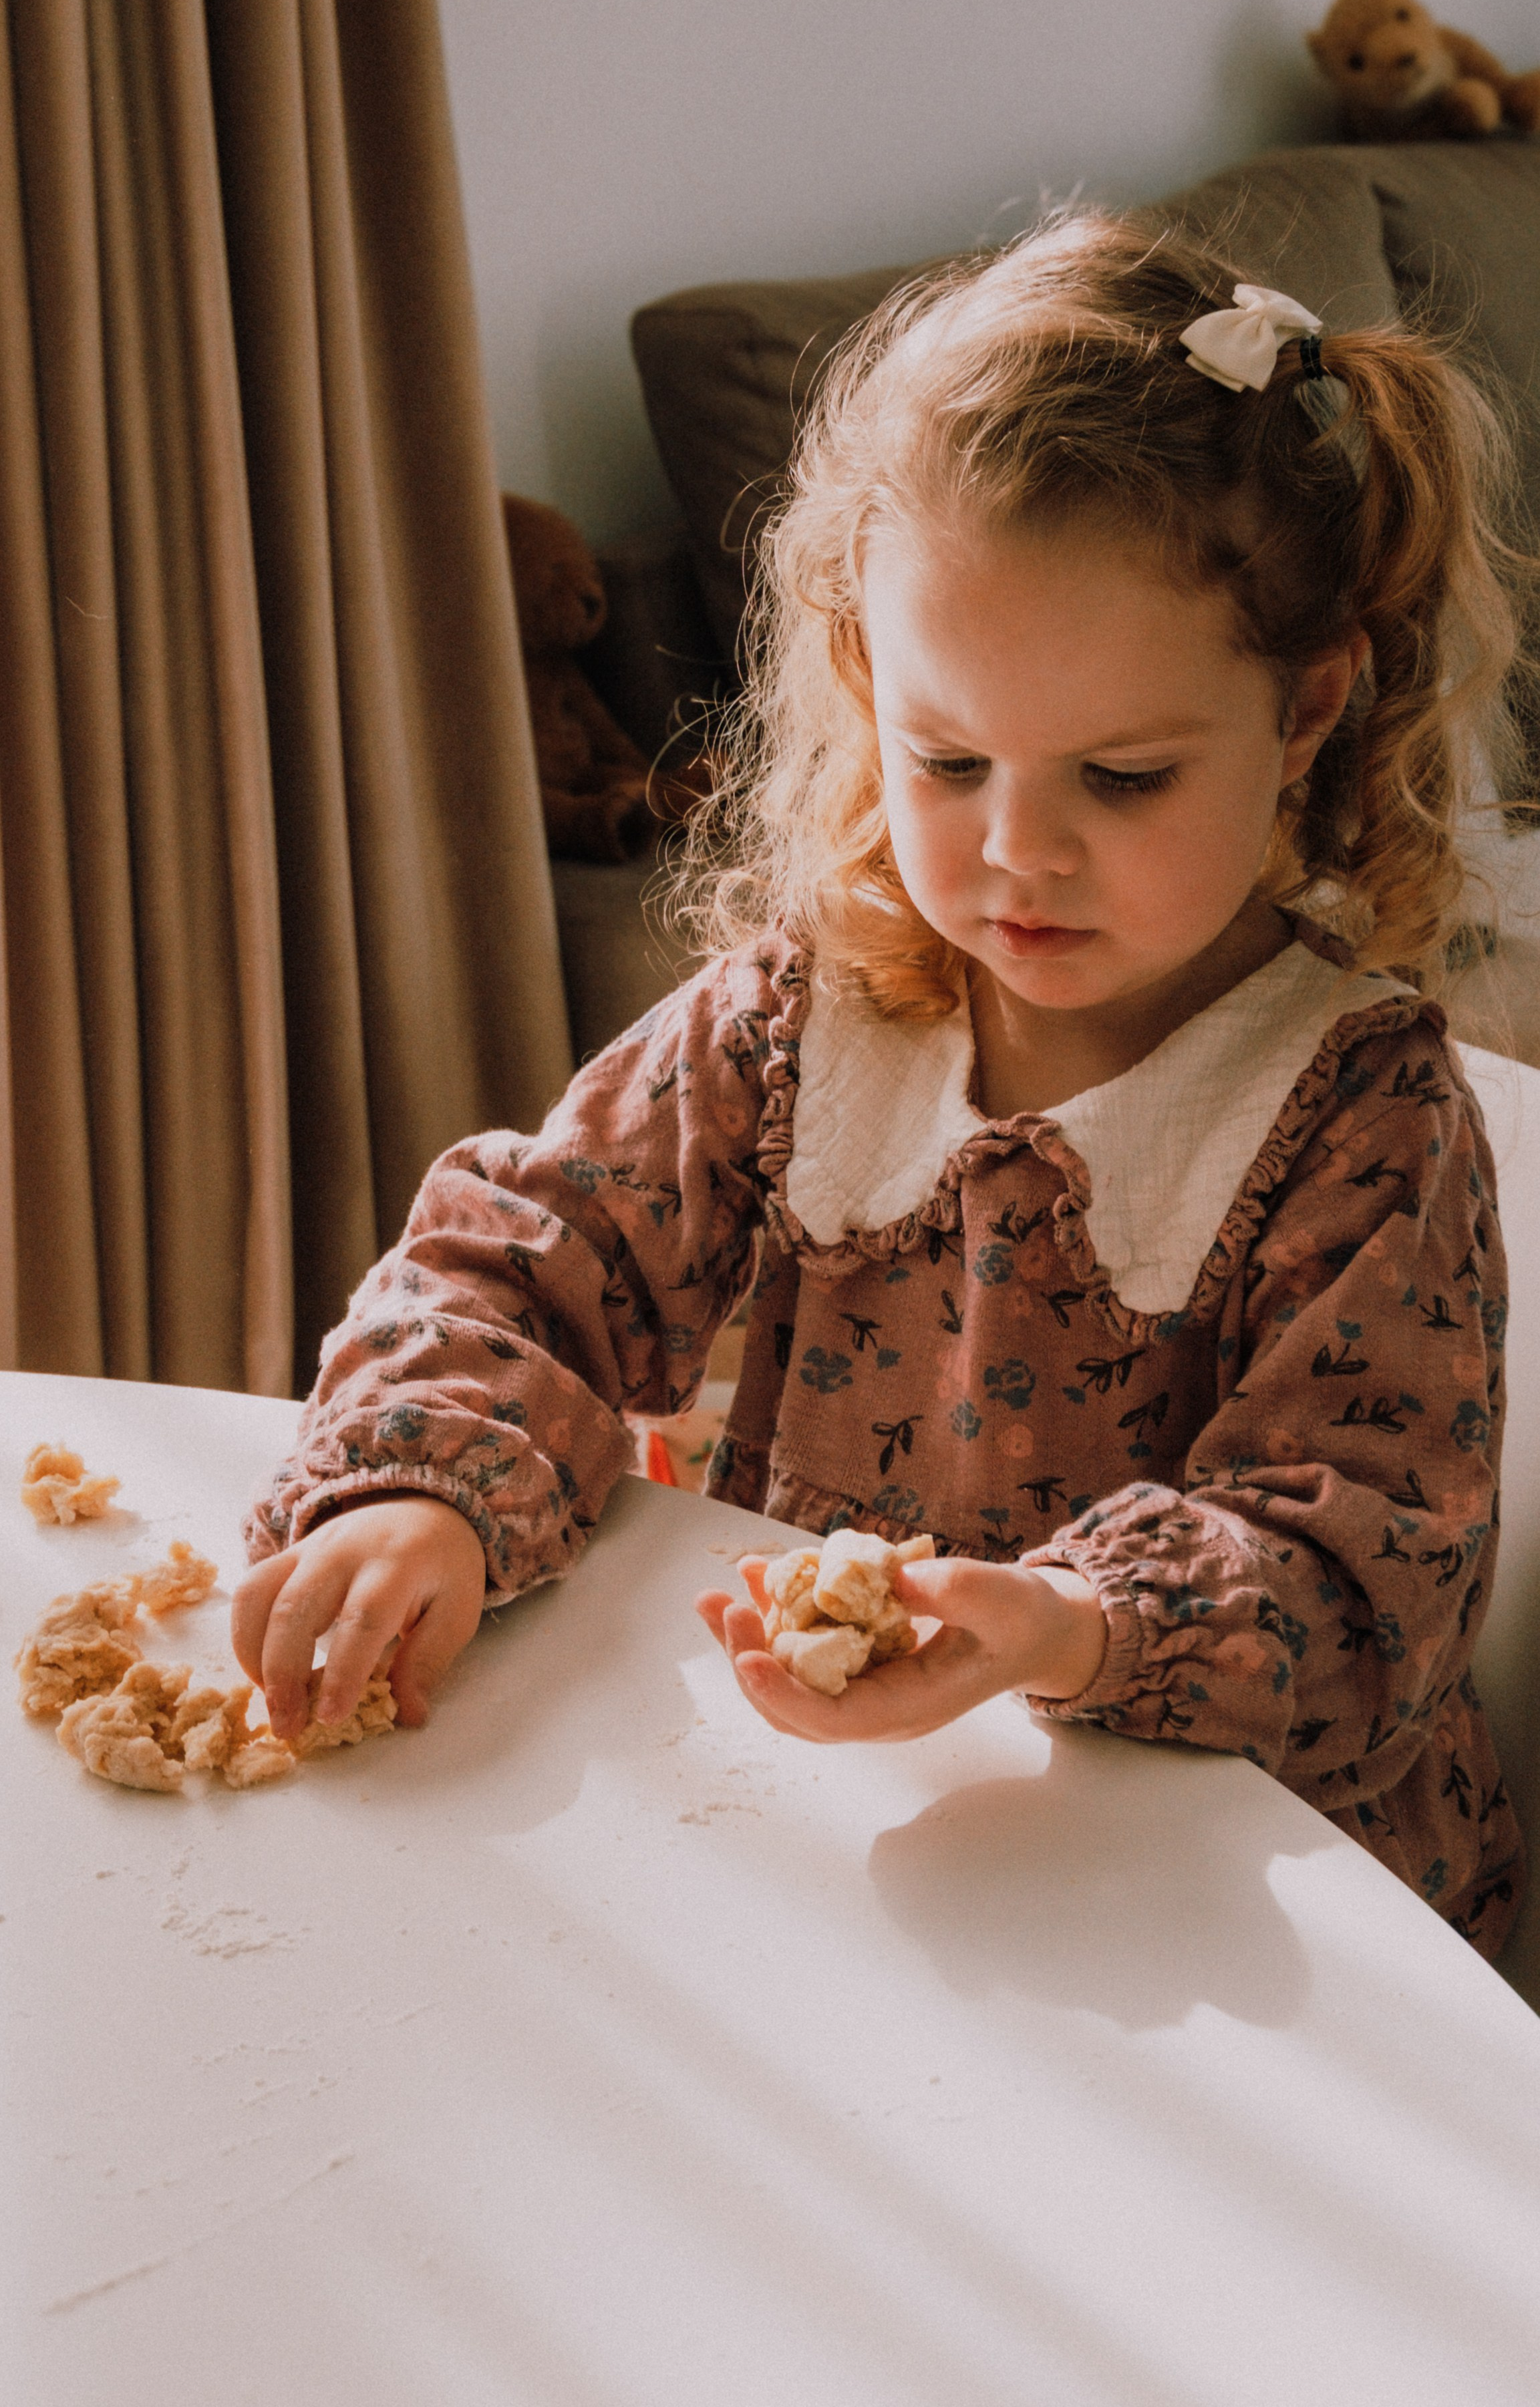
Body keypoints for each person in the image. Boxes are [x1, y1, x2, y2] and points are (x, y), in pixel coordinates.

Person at [235, 216, 1531, 1958]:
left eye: (1123, 777)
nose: (1019, 854)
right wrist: (422, 1485)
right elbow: (519, 1265)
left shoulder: (1362, 1126)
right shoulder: (797, 1024)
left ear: (1303, 712)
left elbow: (1367, 1573)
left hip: (1254, 1928)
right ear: (864, 685)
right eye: (948, 758)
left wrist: (1066, 1624)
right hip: (860, 1852)